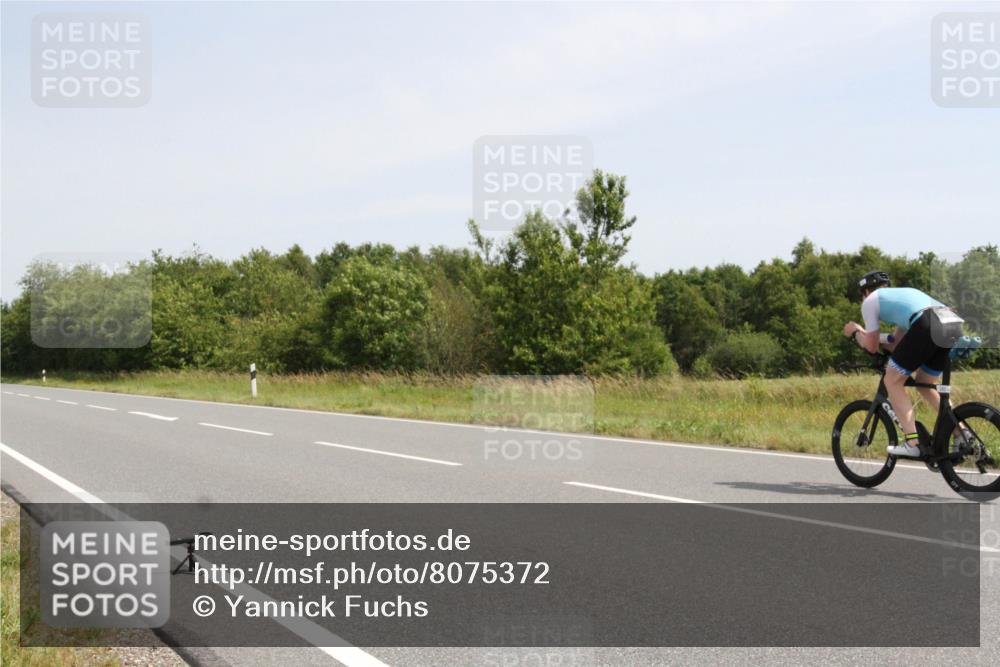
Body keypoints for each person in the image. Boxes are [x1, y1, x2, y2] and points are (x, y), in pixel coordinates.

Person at [842, 271, 952, 458]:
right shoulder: (903, 298)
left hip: (928, 322)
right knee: (926, 383)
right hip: (949, 321)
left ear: (866, 291)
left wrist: (855, 332)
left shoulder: (870, 301)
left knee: (892, 380)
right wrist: (881, 342)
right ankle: (961, 434)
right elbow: (897, 344)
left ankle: (913, 442)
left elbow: (870, 346)